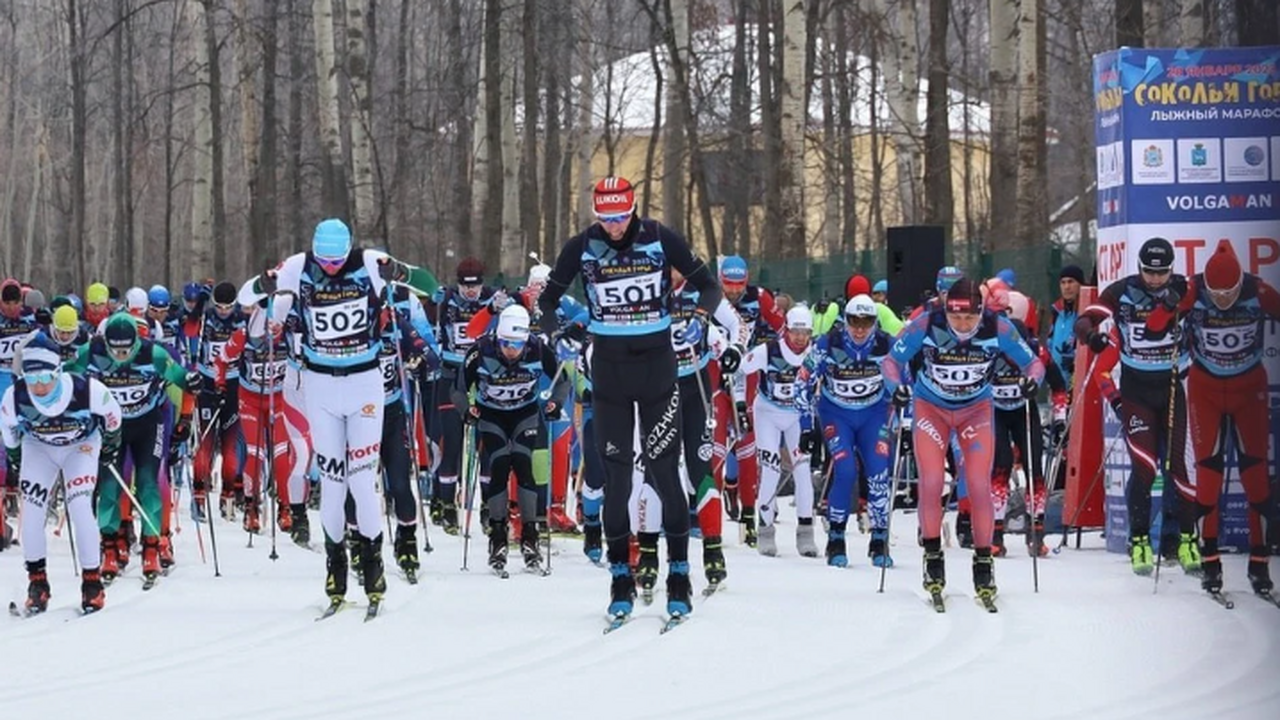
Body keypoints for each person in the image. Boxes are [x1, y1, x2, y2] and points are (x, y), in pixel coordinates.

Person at [537, 175, 722, 623]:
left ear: (633, 209)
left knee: (663, 469)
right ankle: (621, 578)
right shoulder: (582, 246)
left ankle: (679, 575)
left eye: (621, 217)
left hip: (658, 370)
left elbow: (710, 286)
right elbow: (547, 303)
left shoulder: (659, 237)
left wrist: (699, 318)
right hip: (611, 373)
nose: (615, 227)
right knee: (617, 479)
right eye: (606, 219)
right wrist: (558, 335)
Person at [252, 218, 439, 614]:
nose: (331, 268)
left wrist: (400, 272)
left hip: (365, 385)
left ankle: (373, 565)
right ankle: (336, 565)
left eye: (337, 261)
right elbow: (251, 300)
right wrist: (266, 286)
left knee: (360, 479)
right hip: (320, 387)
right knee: (333, 482)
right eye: (325, 260)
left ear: (349, 250)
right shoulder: (300, 266)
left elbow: (430, 285)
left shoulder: (369, 262)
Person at [883, 278, 1044, 602]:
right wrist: (895, 387)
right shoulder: (927, 323)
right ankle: (932, 558)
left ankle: (983, 562)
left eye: (969, 318)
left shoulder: (998, 328)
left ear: (981, 312)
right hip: (932, 409)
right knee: (930, 481)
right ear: (946, 310)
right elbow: (891, 361)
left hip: (976, 410)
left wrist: (1033, 381)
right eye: (956, 317)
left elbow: (1034, 362)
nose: (962, 325)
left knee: (977, 483)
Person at [1156, 242, 1279, 595]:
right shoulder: (1193, 290)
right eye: (1216, 294)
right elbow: (1154, 327)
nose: (1223, 300)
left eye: (1230, 293)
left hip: (1249, 389)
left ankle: (1260, 563)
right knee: (1208, 475)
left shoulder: (1258, 290)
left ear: (1242, 283)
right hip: (1206, 389)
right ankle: (1211, 560)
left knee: (1256, 476)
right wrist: (1169, 302)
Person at [1074, 237, 1197, 576]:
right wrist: (1092, 337)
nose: (1155, 279)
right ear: (1139, 268)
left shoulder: (1184, 289)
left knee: (1178, 468)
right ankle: (1140, 540)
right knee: (1144, 468)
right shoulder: (1122, 291)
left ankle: (1187, 539)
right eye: (1148, 272)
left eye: (1161, 273)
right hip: (1137, 391)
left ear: (1171, 269)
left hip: (1173, 387)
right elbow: (1083, 321)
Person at [66, 314, 200, 586]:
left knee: (149, 482)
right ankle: (110, 547)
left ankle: (151, 545)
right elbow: (64, 378)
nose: (121, 356)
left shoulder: (154, 354)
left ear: (136, 342)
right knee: (109, 485)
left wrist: (193, 384)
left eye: (126, 349)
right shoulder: (90, 352)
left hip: (148, 424)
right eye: (115, 350)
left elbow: (180, 377)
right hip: (112, 427)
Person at [1, 333, 122, 614]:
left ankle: (92, 583)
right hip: (38, 448)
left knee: (80, 506)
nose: (40, 386)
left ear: (58, 371)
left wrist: (111, 445)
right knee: (31, 510)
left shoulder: (86, 389)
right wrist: (17, 457)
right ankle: (37, 582)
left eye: (45, 377)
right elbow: (8, 432)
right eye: (32, 379)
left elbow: (113, 415)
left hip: (81, 447)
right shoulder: (14, 396)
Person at [454, 305, 569, 575]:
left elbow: (561, 381)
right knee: (500, 465)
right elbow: (459, 388)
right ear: (498, 337)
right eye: (506, 343)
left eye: (516, 344)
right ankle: (497, 537)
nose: (511, 350)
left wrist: (555, 403)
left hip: (524, 413)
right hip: (491, 414)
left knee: (523, 463)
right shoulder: (480, 350)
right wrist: (465, 410)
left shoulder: (539, 349)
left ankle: (530, 536)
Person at [804, 295, 894, 567]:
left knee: (879, 473)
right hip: (837, 414)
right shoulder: (828, 343)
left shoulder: (886, 344)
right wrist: (805, 427)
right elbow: (803, 381)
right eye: (854, 322)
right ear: (845, 321)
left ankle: (879, 539)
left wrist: (905, 408)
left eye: (866, 323)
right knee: (845, 471)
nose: (859, 329)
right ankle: (836, 539)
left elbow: (905, 379)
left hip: (873, 415)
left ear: (875, 323)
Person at [212, 298, 312, 540]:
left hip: (278, 398)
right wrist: (221, 385)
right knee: (255, 453)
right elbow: (220, 360)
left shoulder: (289, 333)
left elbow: (306, 355)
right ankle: (251, 506)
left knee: (280, 453)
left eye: (275, 325)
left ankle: (285, 507)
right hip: (251, 398)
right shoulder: (243, 335)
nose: (271, 330)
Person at [983, 282, 1067, 557]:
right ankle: (995, 533)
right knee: (1001, 465)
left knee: (1034, 468)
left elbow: (1058, 386)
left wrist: (1059, 419)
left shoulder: (1036, 350)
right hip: (996, 412)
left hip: (1024, 411)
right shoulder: (987, 350)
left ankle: (1037, 532)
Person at [426, 257, 501, 534]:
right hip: (452, 376)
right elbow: (426, 317)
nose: (471, 292)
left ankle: (486, 506)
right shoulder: (447, 299)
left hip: (483, 377)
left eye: (476, 286)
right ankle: (446, 504)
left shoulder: (494, 298)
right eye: (465, 286)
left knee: (486, 444)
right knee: (452, 443)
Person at [736, 305, 818, 558]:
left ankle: (806, 533)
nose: (800, 338)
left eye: (805, 333)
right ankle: (765, 530)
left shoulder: (815, 353)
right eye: (795, 332)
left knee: (803, 470)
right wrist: (740, 401)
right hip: (768, 414)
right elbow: (738, 369)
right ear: (786, 331)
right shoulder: (767, 350)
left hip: (798, 416)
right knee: (770, 469)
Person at [716, 255, 781, 544]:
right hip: (716, 372)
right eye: (728, 285)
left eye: (738, 285)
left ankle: (748, 513)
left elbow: (783, 329)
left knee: (746, 443)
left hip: (748, 370)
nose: (733, 291)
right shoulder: (710, 295)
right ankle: (709, 514)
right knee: (715, 443)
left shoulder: (760, 297)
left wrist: (773, 354)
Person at [192, 282, 248, 520]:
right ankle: (198, 496)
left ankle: (228, 496)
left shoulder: (241, 320)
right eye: (219, 306)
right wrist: (199, 306)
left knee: (230, 443)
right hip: (208, 383)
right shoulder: (206, 318)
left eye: (228, 307)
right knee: (205, 441)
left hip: (234, 384)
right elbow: (189, 330)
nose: (223, 311)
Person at [1, 279, 38, 510]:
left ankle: (28, 482)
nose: (12, 308)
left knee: (25, 430)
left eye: (15, 303)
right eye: (7, 303)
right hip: (1, 377)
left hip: (25, 379)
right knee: (4, 435)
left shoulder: (30, 318)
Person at [1046, 265, 1085, 386]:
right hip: (1057, 382)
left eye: (1071, 282)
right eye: (1063, 283)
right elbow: (1050, 343)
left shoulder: (1085, 310)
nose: (1067, 287)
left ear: (1080, 284)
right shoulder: (1057, 311)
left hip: (1078, 381)